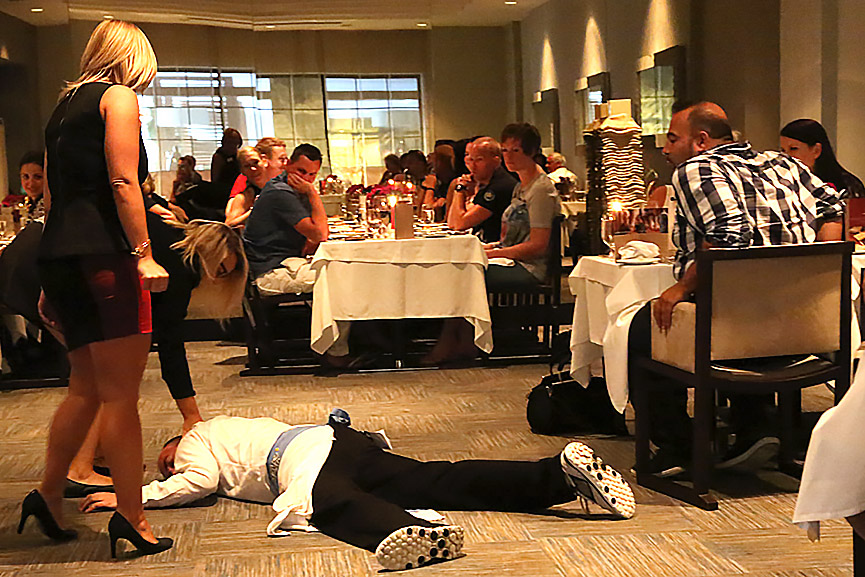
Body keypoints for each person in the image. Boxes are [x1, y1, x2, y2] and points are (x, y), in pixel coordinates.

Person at [78, 414, 635, 571]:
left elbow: (195, 482)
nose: (167, 465)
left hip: (304, 458)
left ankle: (409, 531)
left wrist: (137, 496)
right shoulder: (229, 425)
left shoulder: (196, 440)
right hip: (340, 441)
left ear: (173, 444)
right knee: (439, 478)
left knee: (327, 504)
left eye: (164, 459)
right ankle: (556, 475)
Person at [631, 101, 844, 476]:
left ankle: (682, 447)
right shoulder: (784, 163)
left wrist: (681, 287)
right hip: (802, 322)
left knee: (642, 328)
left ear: (701, 141)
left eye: (672, 139)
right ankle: (755, 426)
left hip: (742, 325)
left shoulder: (695, 169)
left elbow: (729, 235)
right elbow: (833, 205)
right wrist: (820, 258)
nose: (665, 149)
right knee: (727, 312)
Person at [25, 19, 173, 557]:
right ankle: (133, 517)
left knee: (84, 388)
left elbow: (50, 194)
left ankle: (48, 493)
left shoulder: (63, 107)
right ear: (134, 60)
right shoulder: (118, 97)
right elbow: (122, 181)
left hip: (60, 256)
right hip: (105, 257)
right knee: (119, 396)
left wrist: (50, 279)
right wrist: (144, 253)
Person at [64, 212, 248, 495]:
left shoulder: (168, 236)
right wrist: (191, 415)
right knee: (110, 382)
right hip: (80, 283)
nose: (215, 279)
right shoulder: (183, 267)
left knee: (106, 378)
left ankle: (98, 456)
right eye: (221, 269)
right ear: (212, 251)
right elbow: (171, 346)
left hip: (74, 270)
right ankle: (80, 470)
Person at [243, 143, 326, 296]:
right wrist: (312, 193)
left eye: (312, 174)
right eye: (301, 171)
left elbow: (316, 236)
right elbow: (320, 234)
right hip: (268, 271)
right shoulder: (280, 192)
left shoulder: (292, 188)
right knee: (335, 275)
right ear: (288, 164)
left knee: (339, 269)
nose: (306, 179)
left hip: (284, 261)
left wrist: (312, 238)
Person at [485, 123, 560, 289]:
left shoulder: (540, 190)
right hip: (512, 260)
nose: (508, 156)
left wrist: (492, 254)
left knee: (468, 272)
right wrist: (489, 248)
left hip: (530, 267)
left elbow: (538, 245)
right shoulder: (521, 186)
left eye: (516, 150)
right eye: (505, 150)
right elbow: (513, 239)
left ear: (531, 152)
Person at [446, 137, 516, 243]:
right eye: (471, 160)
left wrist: (460, 190)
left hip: (497, 249)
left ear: (496, 161)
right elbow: (452, 222)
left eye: (479, 160)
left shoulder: (499, 186)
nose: (473, 166)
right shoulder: (485, 184)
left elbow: (459, 224)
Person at [780, 118, 865, 198]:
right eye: (783, 150)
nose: (786, 155)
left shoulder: (847, 186)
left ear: (816, 150)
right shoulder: (782, 183)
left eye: (793, 149)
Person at [224, 141, 285, 228]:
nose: (253, 168)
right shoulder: (246, 196)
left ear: (264, 161)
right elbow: (228, 225)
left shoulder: (281, 185)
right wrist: (255, 210)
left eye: (255, 162)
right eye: (247, 166)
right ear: (242, 171)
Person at [18, 151, 46, 219]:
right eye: (25, 177)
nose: (31, 184)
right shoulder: (29, 203)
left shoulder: (49, 206)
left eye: (38, 177)